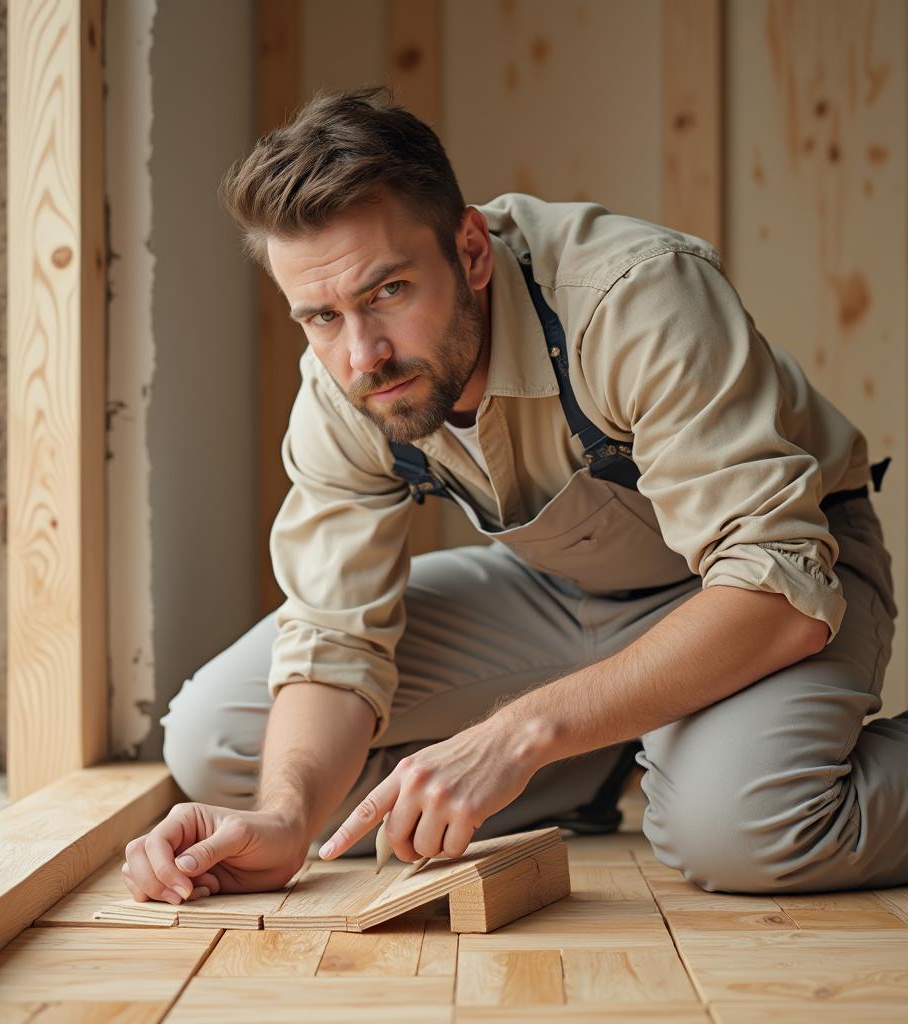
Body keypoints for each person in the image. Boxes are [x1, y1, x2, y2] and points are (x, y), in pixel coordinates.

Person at [120, 85, 906, 908]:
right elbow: (333, 636)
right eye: (320, 316)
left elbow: (778, 588)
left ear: (471, 251)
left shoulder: (635, 298)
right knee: (223, 744)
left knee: (743, 833)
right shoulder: (342, 382)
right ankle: (603, 760)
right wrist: (284, 819)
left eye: (388, 291)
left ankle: (632, 744)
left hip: (762, 580)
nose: (364, 356)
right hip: (562, 596)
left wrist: (519, 731)